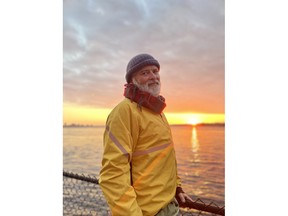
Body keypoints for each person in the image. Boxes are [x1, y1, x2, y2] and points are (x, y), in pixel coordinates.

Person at [99, 53, 193, 216]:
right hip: (145, 212)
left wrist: (177, 187)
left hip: (169, 206)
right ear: (131, 80)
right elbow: (112, 175)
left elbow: (166, 156)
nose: (153, 77)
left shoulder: (158, 112)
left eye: (155, 71)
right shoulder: (125, 111)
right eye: (145, 73)